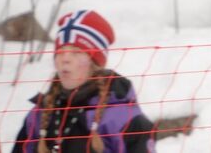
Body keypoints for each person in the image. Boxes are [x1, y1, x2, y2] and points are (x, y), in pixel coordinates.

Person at [12, 10, 156, 153]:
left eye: (76, 52)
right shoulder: (39, 115)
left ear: (95, 64)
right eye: (60, 52)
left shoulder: (124, 118)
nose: (65, 59)